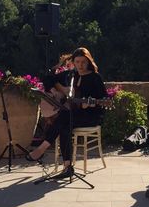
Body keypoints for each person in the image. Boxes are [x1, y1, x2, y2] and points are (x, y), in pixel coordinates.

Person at [27, 47, 107, 177]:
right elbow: (48, 78)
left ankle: (42, 148)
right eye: (77, 62)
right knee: (65, 126)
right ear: (73, 62)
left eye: (83, 62)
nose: (80, 65)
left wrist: (90, 105)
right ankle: (67, 167)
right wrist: (58, 89)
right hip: (74, 114)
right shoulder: (71, 75)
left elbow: (105, 99)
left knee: (64, 116)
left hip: (91, 115)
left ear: (89, 62)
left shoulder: (95, 77)